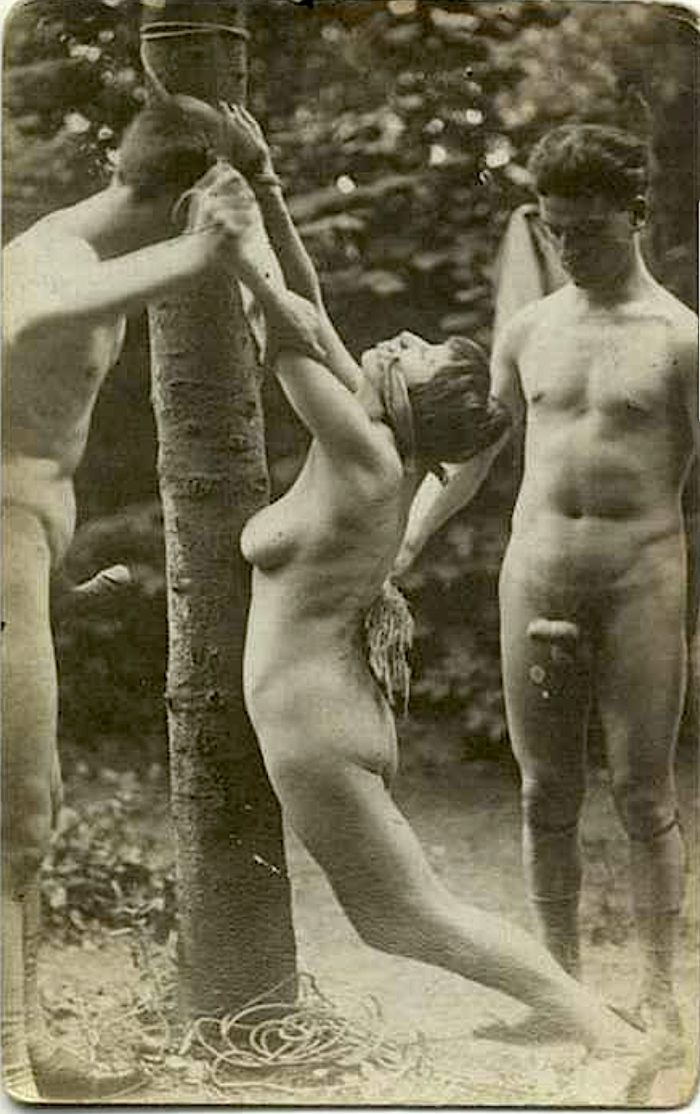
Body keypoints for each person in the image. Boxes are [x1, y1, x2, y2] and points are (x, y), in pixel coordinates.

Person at [210, 107, 661, 1060]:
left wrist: (234, 245)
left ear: (407, 404)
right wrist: (268, 183)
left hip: (317, 730)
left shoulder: (364, 458)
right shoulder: (379, 448)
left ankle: (607, 1035)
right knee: (399, 918)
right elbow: (310, 310)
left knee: (414, 916)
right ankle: (598, 1023)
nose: (396, 341)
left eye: (410, 354)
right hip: (333, 715)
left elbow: (282, 325)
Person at [1, 94, 322, 1102]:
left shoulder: (99, 253)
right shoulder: (52, 257)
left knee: (30, 807)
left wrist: (257, 185)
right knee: (20, 812)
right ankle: (13, 1069)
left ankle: (23, 1044)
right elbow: (28, 318)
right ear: (188, 204)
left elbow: (298, 314)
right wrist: (198, 252)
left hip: (24, 547)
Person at [392, 123, 699, 1041]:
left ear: (634, 214)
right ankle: (559, 996)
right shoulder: (529, 329)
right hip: (536, 574)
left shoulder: (681, 339)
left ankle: (659, 997)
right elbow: (476, 457)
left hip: (642, 577)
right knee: (542, 793)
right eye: (556, 229)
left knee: (643, 793)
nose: (570, 247)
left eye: (589, 229)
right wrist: (407, 540)